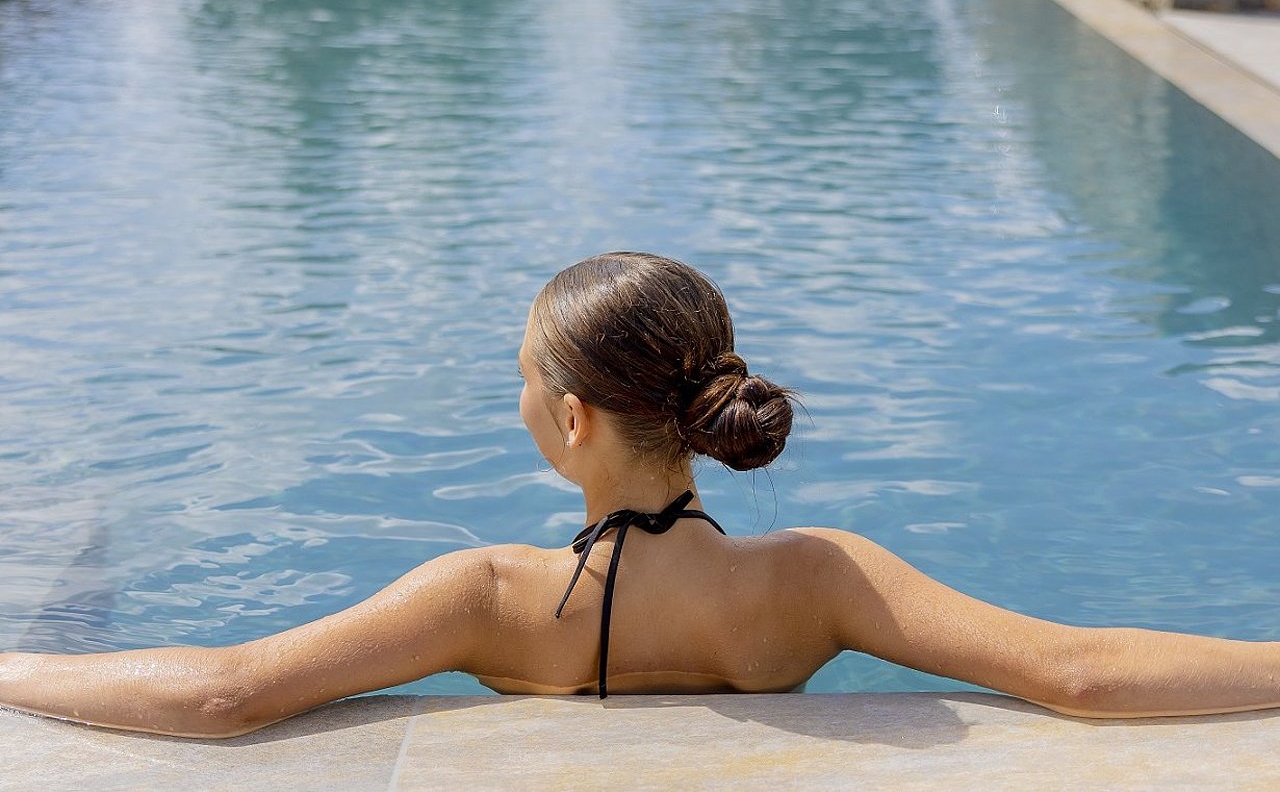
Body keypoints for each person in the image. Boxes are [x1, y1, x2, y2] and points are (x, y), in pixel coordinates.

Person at [2, 251, 1278, 739]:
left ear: (567, 421)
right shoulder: (814, 578)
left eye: (519, 379)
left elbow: (221, 691)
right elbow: (1084, 673)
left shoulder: (489, 598)